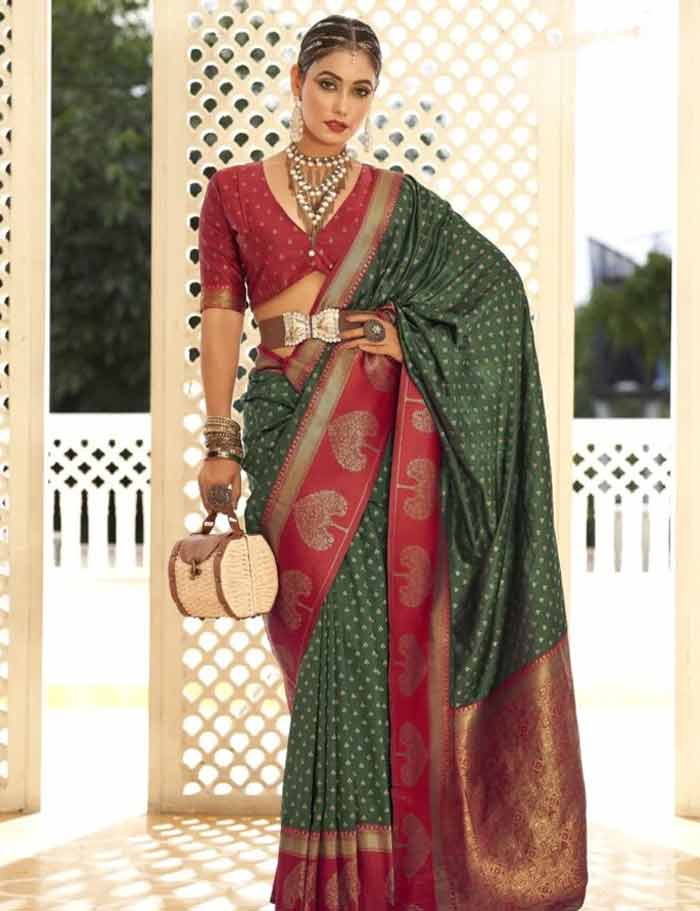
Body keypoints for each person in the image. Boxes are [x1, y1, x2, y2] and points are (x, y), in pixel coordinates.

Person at [196, 13, 588, 911]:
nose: (343, 106)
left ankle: (366, 879)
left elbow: (495, 291)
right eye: (328, 84)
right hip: (283, 426)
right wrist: (219, 442)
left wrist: (403, 336)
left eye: (361, 91)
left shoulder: (394, 200)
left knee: (366, 647)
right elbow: (221, 318)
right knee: (317, 648)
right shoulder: (232, 193)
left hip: (372, 436)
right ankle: (334, 874)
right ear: (297, 83)